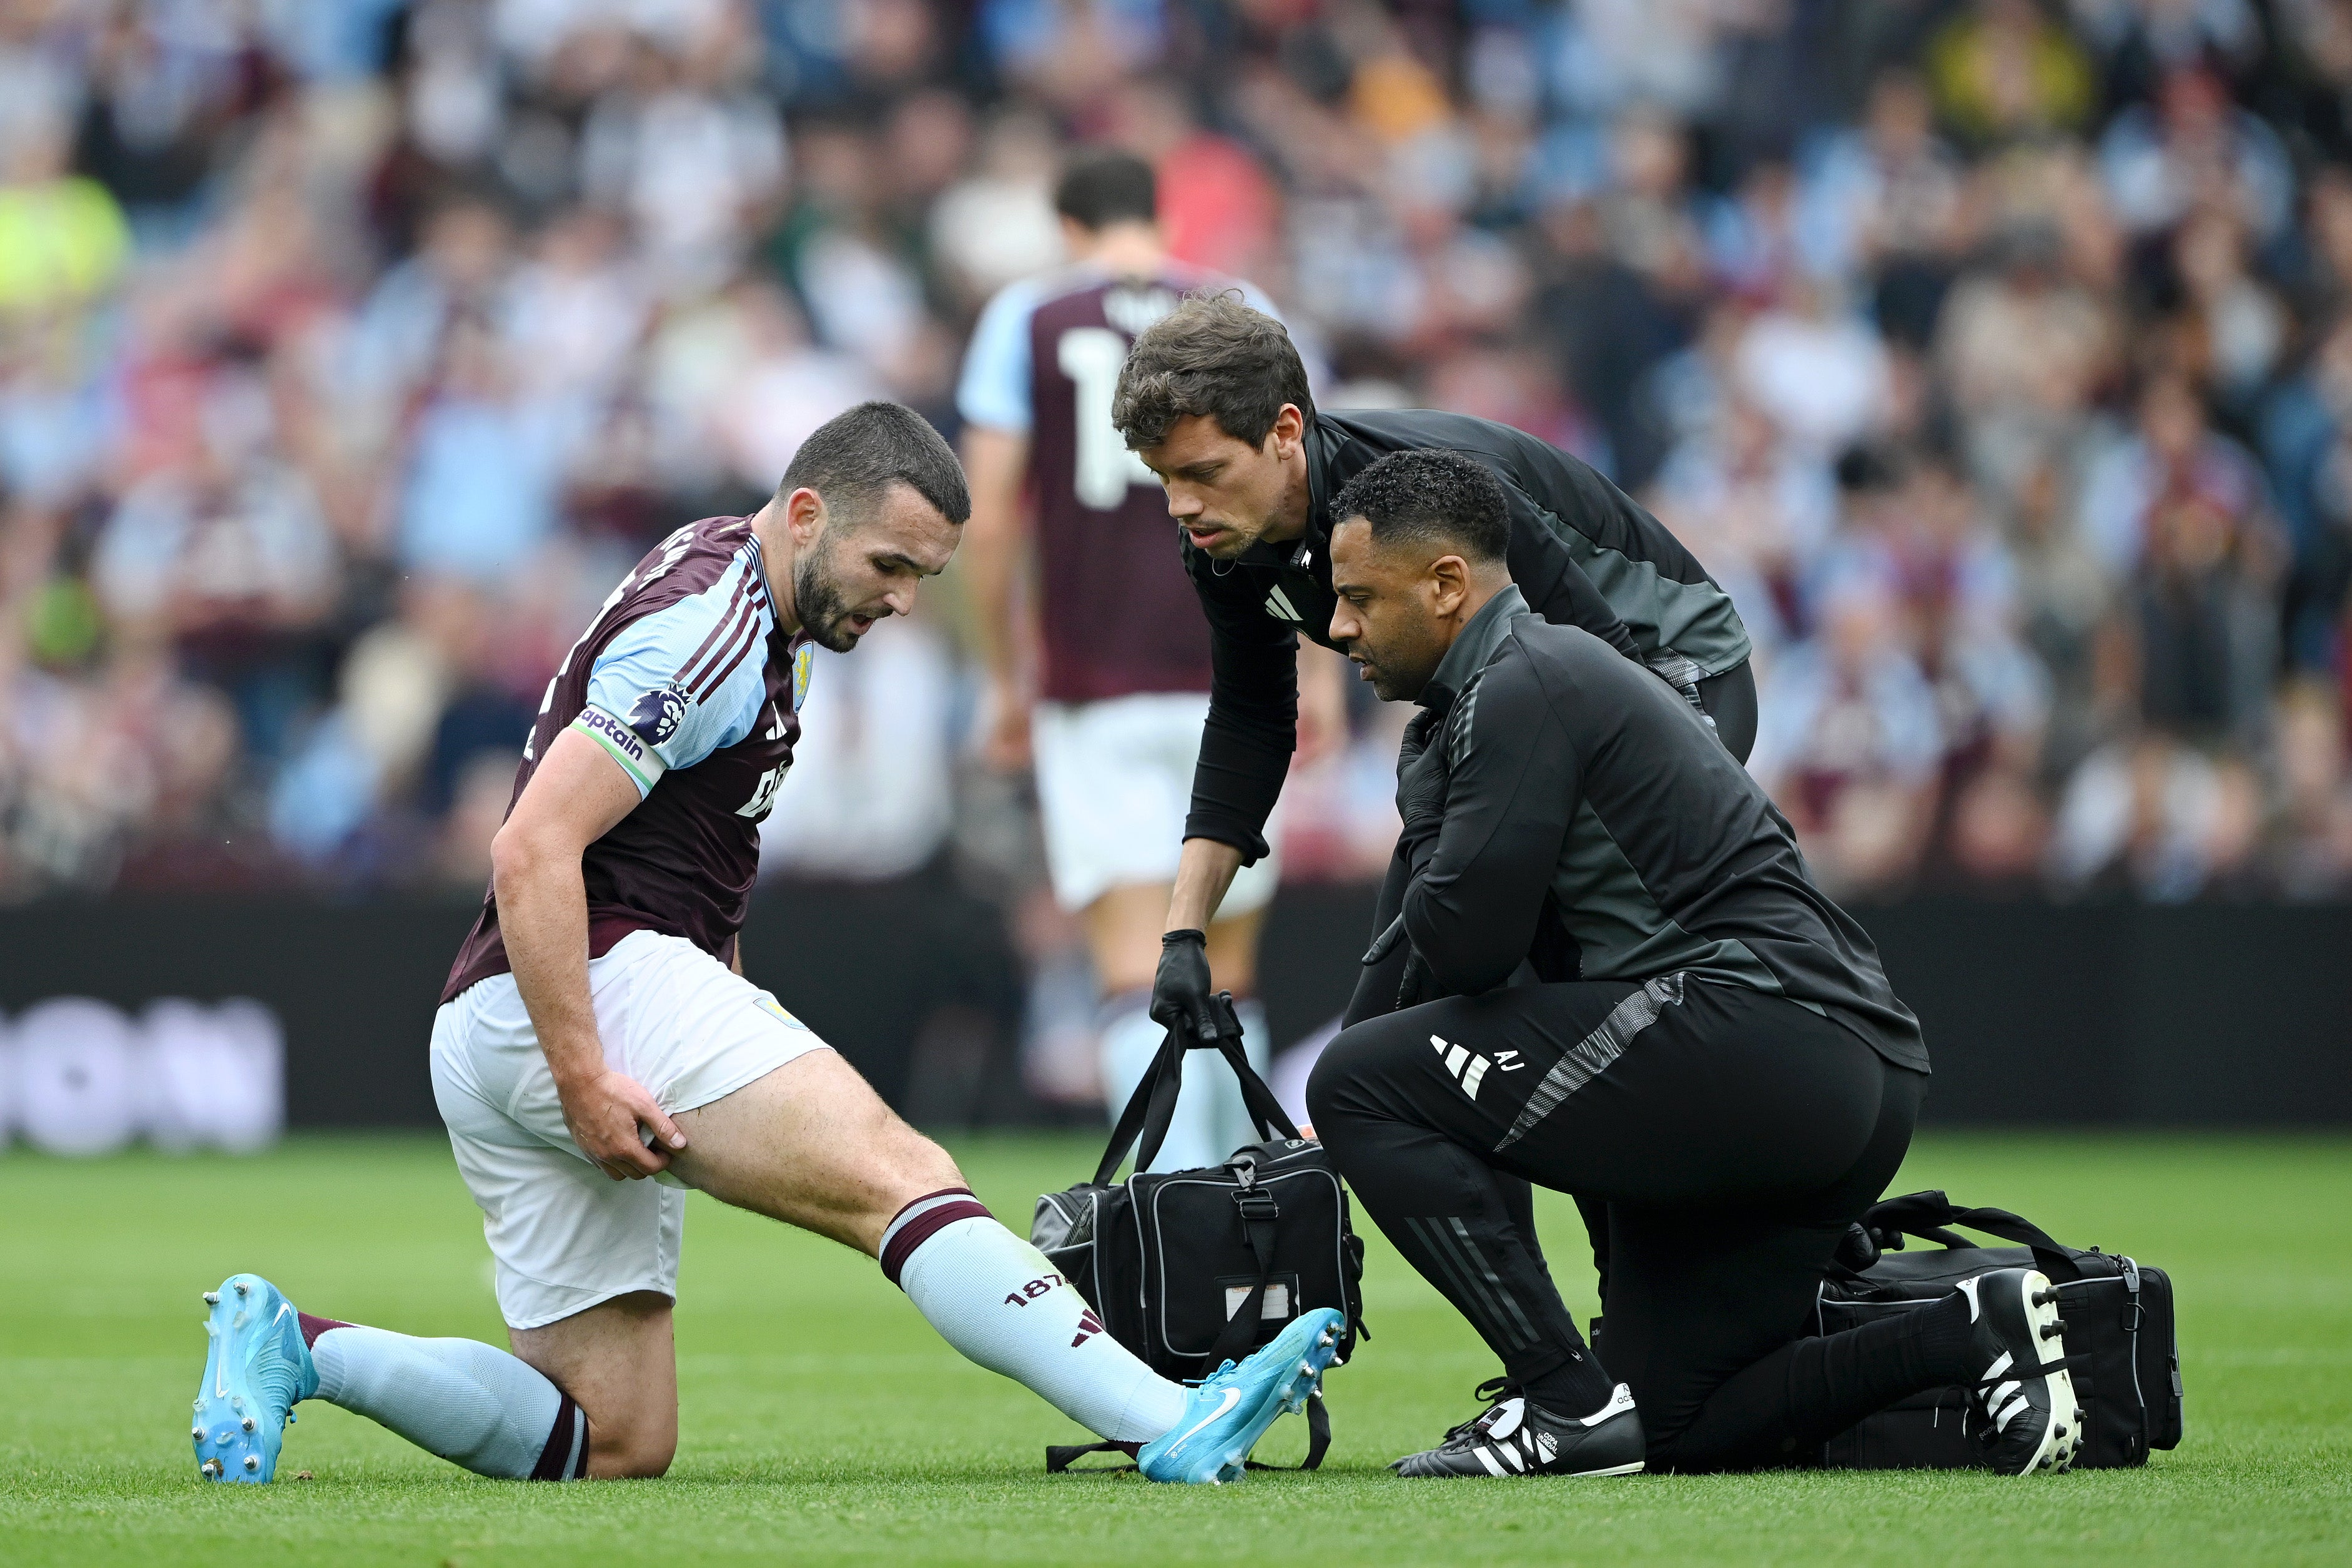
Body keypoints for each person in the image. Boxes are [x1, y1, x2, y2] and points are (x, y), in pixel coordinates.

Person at [190, 401, 1343, 1489]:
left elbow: (684, 848)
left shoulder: (737, 580)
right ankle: (1164, 1418)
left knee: (615, 1440)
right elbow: (530, 848)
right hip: (591, 984)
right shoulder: (711, 628)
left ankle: (302, 1349)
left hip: (498, 1018)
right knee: (905, 1181)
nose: (898, 601)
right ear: (803, 515)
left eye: (922, 580)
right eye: (887, 566)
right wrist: (585, 1072)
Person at [1300, 450, 2082, 1478]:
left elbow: (1466, 952)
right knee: (1667, 1422)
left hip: (1757, 1035)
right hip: (1848, 1067)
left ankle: (1556, 1400)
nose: (1339, 627)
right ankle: (1967, 1331)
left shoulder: (1524, 680)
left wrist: (1424, 827)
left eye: (1358, 598)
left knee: (1355, 1083)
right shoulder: (1521, 687)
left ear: (1448, 586)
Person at [1112, 291, 1754, 1286]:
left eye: (1202, 473)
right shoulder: (1229, 543)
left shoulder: (1431, 492)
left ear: (1286, 432)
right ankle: (1568, 1352)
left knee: (1554, 982)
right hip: (1502, 707)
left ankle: (1665, 1298)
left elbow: (1598, 672)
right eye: (1160, 480)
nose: (1181, 505)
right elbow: (1248, 724)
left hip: (1667, 676)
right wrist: (1184, 934)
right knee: (1398, 1040)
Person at [957, 152, 1343, 1168]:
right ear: (1157, 217)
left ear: (1066, 225)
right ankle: (1241, 1212)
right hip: (1243, 674)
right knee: (1230, 973)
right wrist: (1328, 665)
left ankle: (1180, 1223)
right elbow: (1321, 485)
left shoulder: (1027, 317)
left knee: (1139, 972)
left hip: (1095, 687)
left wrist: (1004, 676)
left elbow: (992, 515)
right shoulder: (1240, 308)